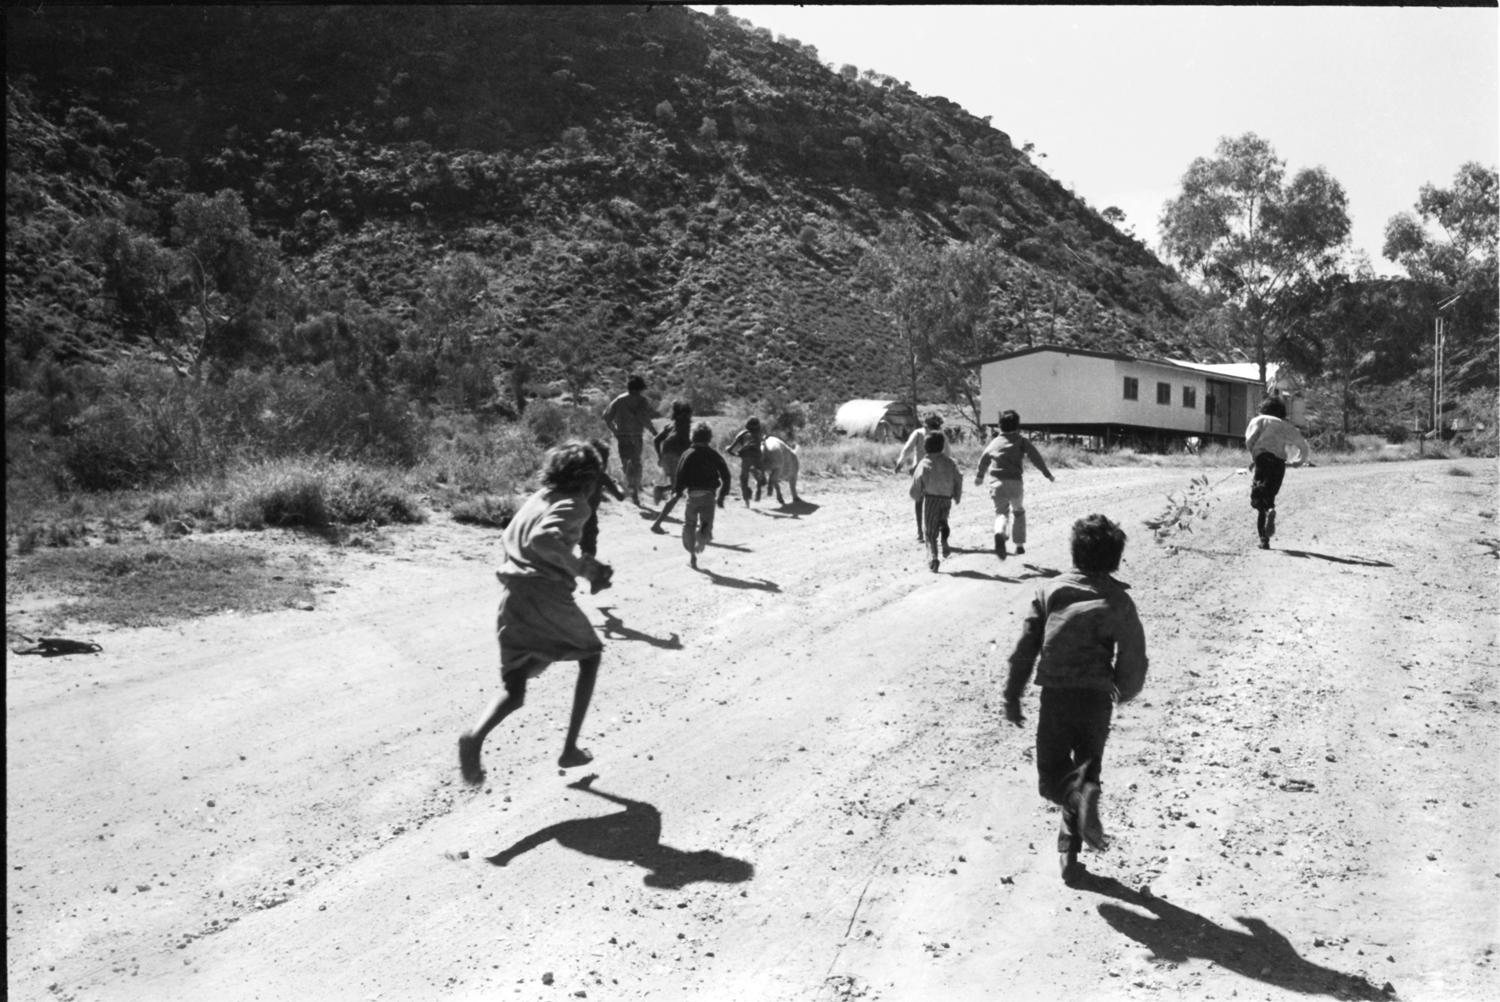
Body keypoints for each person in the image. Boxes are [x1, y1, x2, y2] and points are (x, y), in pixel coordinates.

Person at [457, 441, 614, 786]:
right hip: (547, 594)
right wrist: (580, 568)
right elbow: (544, 540)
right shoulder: (575, 504)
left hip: (512, 596)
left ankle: (475, 736)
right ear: (590, 479)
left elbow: (519, 537)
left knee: (516, 685)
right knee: (590, 656)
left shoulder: (538, 498)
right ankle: (570, 747)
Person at [1003, 514, 1147, 882]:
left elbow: (1026, 648)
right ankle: (1070, 855)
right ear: (1115, 559)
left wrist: (1013, 694)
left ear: (1074, 553)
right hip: (1097, 699)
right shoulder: (1119, 600)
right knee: (1086, 774)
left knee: (1054, 778)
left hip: (1057, 696)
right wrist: (1124, 690)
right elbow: (1133, 653)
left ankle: (1077, 810)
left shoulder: (1050, 591)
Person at [974, 409, 1055, 560]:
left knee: (1001, 513)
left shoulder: (995, 442)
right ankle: (1019, 545)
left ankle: (999, 531)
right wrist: (1047, 474)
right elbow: (1035, 457)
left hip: (996, 483)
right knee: (1018, 511)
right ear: (1017, 426)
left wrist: (979, 476)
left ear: (999, 426)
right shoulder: (1021, 440)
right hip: (1015, 483)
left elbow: (984, 459)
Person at [1244, 396, 1311, 550]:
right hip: (1279, 465)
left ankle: (1264, 541)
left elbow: (1250, 439)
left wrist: (1255, 456)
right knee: (1269, 497)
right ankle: (1271, 510)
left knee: (1258, 500)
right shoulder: (1287, 426)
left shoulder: (1260, 419)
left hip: (1263, 460)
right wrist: (1298, 462)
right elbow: (1303, 446)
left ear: (1263, 409)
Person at [669, 422, 733, 569]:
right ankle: (703, 534)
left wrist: (677, 491)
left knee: (689, 524)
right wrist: (722, 495)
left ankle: (692, 555)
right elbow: (726, 476)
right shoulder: (713, 454)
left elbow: (680, 474)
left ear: (692, 437)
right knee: (707, 523)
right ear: (709, 438)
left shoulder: (687, 454)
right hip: (709, 496)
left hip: (692, 495)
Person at [909, 430, 963, 572]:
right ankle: (944, 540)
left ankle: (933, 558)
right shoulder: (950, 462)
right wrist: (957, 494)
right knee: (942, 522)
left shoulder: (924, 463)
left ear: (925, 448)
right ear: (943, 447)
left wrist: (916, 494)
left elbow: (917, 480)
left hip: (931, 499)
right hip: (946, 499)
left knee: (930, 531)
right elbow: (959, 478)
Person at [896, 414, 952, 543]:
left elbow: (907, 449)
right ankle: (932, 529)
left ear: (925, 422)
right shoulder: (942, 435)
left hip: (920, 471)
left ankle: (920, 532)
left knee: (919, 501)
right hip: (937, 471)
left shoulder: (919, 433)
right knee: (935, 501)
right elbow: (948, 453)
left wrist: (900, 463)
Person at [602, 375, 657, 505]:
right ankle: (635, 493)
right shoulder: (642, 400)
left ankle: (630, 486)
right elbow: (642, 416)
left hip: (623, 436)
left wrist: (615, 430)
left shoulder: (619, 399)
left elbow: (606, 415)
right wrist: (652, 430)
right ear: (640, 388)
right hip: (636, 436)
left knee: (626, 463)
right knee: (636, 463)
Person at [580, 439, 626, 592]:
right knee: (588, 552)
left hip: (573, 515)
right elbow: (620, 496)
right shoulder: (602, 476)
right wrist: (616, 482)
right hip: (589, 517)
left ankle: (597, 578)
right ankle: (598, 577)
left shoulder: (578, 473)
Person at [649, 401, 694, 532]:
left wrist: (660, 456)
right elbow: (687, 445)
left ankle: (661, 489)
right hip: (676, 459)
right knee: (678, 492)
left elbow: (656, 440)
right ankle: (657, 524)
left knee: (685, 483)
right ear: (686, 413)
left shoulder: (670, 425)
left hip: (667, 457)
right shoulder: (685, 426)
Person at [726, 416, 767, 506]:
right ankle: (758, 477)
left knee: (744, 478)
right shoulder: (760, 434)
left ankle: (747, 500)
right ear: (758, 426)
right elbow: (763, 445)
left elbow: (730, 449)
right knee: (763, 480)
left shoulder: (742, 433)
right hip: (757, 455)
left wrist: (734, 453)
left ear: (747, 425)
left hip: (746, 456)